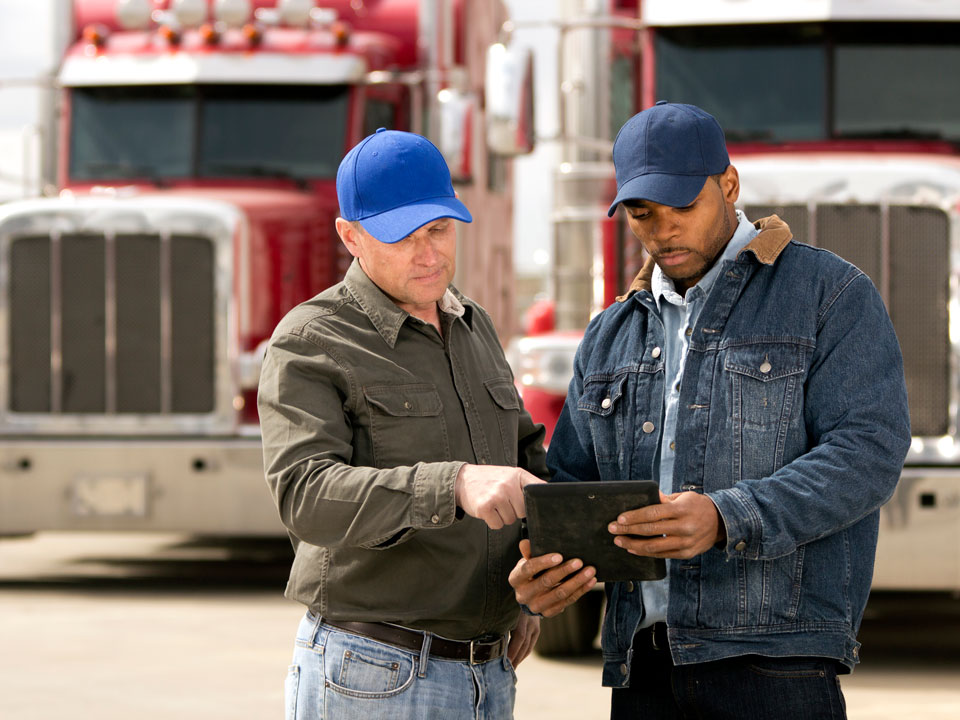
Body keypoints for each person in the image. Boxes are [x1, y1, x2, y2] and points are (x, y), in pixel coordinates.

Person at [509, 102, 911, 719]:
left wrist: (726, 517)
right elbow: (573, 482)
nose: (663, 231)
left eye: (683, 208)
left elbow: (868, 453)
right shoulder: (610, 333)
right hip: (641, 668)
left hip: (778, 667)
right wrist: (543, 567)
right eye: (643, 214)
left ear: (729, 186)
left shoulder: (829, 294)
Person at [258, 128, 548, 720]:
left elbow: (523, 461)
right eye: (402, 237)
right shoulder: (311, 339)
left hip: (489, 673)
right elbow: (305, 495)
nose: (430, 254)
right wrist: (453, 484)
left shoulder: (474, 327)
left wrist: (532, 588)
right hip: (371, 675)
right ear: (351, 236)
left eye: (439, 230)